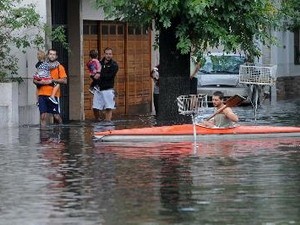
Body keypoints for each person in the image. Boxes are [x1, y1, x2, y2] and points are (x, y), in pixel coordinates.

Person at [33, 49, 67, 127]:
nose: (52, 56)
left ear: (56, 56)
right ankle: (43, 137)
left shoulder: (59, 67)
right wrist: (40, 82)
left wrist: (51, 81)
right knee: (43, 116)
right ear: (47, 55)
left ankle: (61, 131)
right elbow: (34, 80)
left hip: (54, 95)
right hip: (42, 94)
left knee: (56, 116)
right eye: (50, 54)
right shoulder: (42, 66)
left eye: (53, 54)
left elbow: (64, 81)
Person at [92, 47, 119, 122]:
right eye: (107, 54)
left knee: (108, 107)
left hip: (108, 89)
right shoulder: (99, 63)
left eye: (110, 54)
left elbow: (109, 76)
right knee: (95, 107)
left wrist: (99, 74)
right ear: (104, 54)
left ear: (112, 55)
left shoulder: (114, 65)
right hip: (98, 89)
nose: (108, 55)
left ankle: (108, 123)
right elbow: (93, 74)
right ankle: (98, 120)